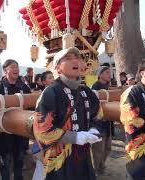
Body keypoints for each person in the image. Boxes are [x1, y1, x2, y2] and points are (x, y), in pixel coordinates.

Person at [33, 47, 102, 180]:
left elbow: (97, 115)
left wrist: (94, 129)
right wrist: (73, 137)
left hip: (84, 154)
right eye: (68, 58)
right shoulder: (50, 92)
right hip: (58, 158)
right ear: (58, 68)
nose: (75, 61)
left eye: (77, 58)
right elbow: (42, 130)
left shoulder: (87, 91)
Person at [0, 59, 31, 180]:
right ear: (5, 70)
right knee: (5, 161)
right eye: (12, 67)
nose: (16, 69)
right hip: (4, 131)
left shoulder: (24, 87)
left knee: (19, 160)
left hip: (20, 130)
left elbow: (31, 105)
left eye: (17, 67)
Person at [91, 66, 114, 176]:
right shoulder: (95, 88)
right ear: (99, 75)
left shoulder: (109, 87)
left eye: (110, 72)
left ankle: (101, 166)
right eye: (107, 72)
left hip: (108, 123)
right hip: (98, 124)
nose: (110, 74)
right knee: (98, 150)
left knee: (108, 148)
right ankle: (95, 170)